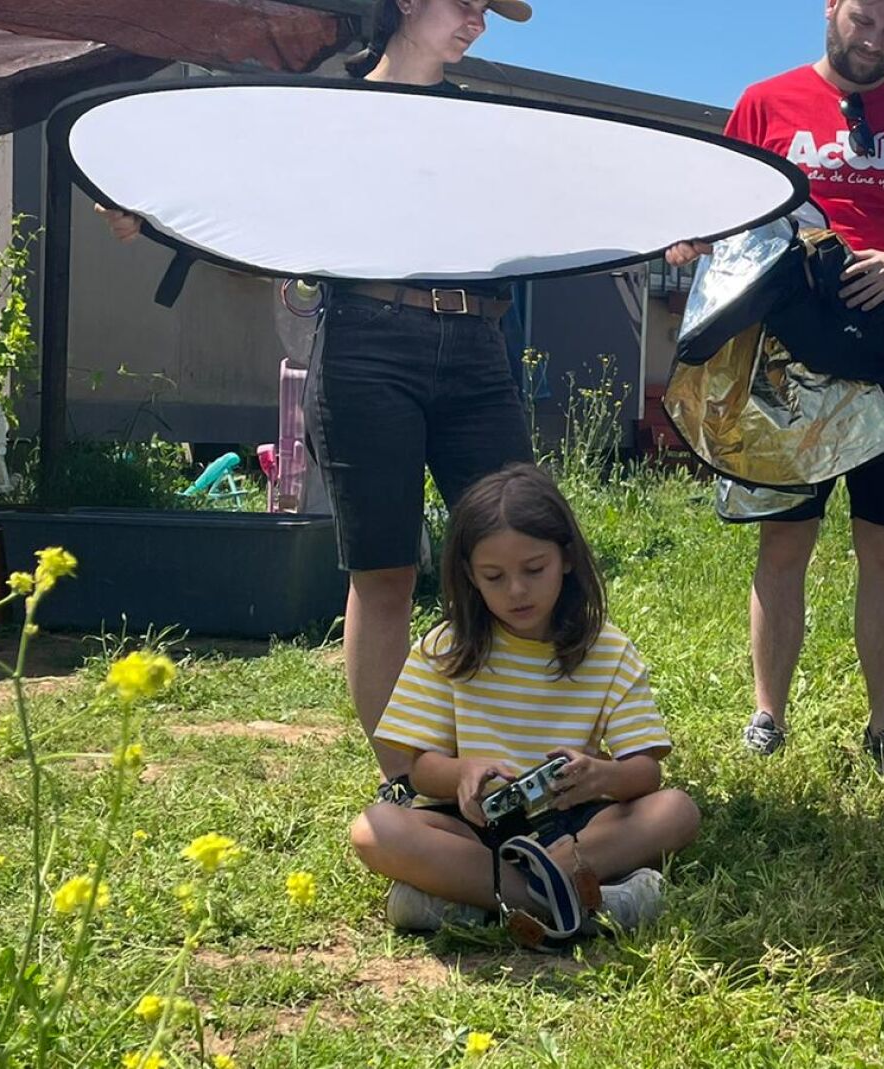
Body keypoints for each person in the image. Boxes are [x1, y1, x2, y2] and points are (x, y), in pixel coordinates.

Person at [102, 0, 542, 806]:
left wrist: (664, 236)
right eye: (464, 1)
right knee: (384, 571)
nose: (477, 21)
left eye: (487, 9)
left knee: (524, 551)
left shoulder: (483, 128)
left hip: (480, 349)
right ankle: (403, 779)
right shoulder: (322, 111)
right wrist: (146, 208)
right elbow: (239, 191)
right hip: (367, 344)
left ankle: (528, 758)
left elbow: (563, 210)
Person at [664, 0, 884, 772]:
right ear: (832, 6)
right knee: (784, 541)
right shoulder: (764, 102)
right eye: (863, 20)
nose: (875, 42)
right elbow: (721, 216)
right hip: (784, 360)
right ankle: (767, 716)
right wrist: (687, 238)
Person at [348, 464, 700, 939]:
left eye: (534, 570)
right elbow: (422, 771)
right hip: (474, 828)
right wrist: (463, 774)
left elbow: (645, 772)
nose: (516, 590)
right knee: (374, 829)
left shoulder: (607, 650)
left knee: (677, 810)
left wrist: (602, 775)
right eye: (494, 577)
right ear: (470, 576)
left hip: (575, 828)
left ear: (567, 558)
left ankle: (471, 900)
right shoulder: (446, 647)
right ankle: (570, 902)